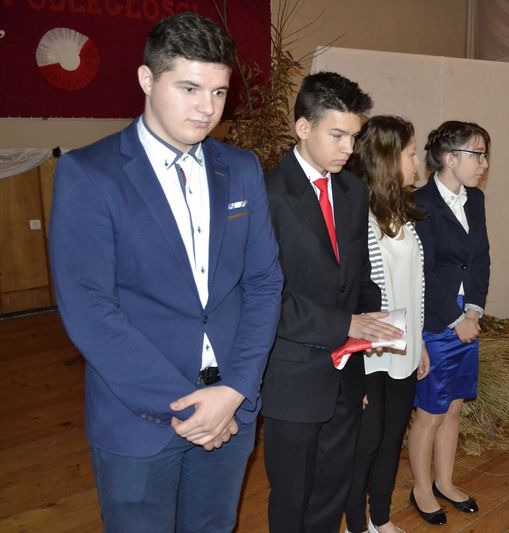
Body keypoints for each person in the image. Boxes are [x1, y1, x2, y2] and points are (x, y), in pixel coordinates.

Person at [48, 12, 284, 532]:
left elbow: (264, 283)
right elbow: (89, 310)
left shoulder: (240, 168)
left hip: (232, 406)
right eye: (190, 88)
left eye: (219, 92)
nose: (207, 108)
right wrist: (189, 409)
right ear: (147, 79)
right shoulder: (90, 173)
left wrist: (235, 390)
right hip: (139, 416)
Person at [260, 72, 403, 533]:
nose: (349, 148)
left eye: (354, 137)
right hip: (292, 374)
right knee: (292, 496)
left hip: (346, 372)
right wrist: (347, 325)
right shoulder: (267, 195)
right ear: (303, 127)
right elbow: (267, 298)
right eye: (337, 135)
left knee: (332, 488)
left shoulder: (352, 191)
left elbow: (359, 275)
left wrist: (371, 322)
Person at [343, 115, 431, 533]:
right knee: (365, 442)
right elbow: (351, 295)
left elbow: (413, 287)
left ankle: (381, 517)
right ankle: (355, 524)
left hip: (402, 347)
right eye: (411, 153)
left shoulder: (404, 212)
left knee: (391, 439)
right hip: (369, 353)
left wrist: (419, 341)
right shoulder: (356, 213)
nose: (417, 162)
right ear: (387, 158)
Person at [407, 121, 491, 526]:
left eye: (485, 155)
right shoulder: (419, 203)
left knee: (455, 404)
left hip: (466, 317)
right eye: (478, 155)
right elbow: (419, 274)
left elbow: (481, 258)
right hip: (435, 318)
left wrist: (473, 311)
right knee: (431, 411)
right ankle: (421, 489)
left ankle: (445, 481)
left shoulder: (476, 199)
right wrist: (456, 318)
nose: (484, 163)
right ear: (450, 158)